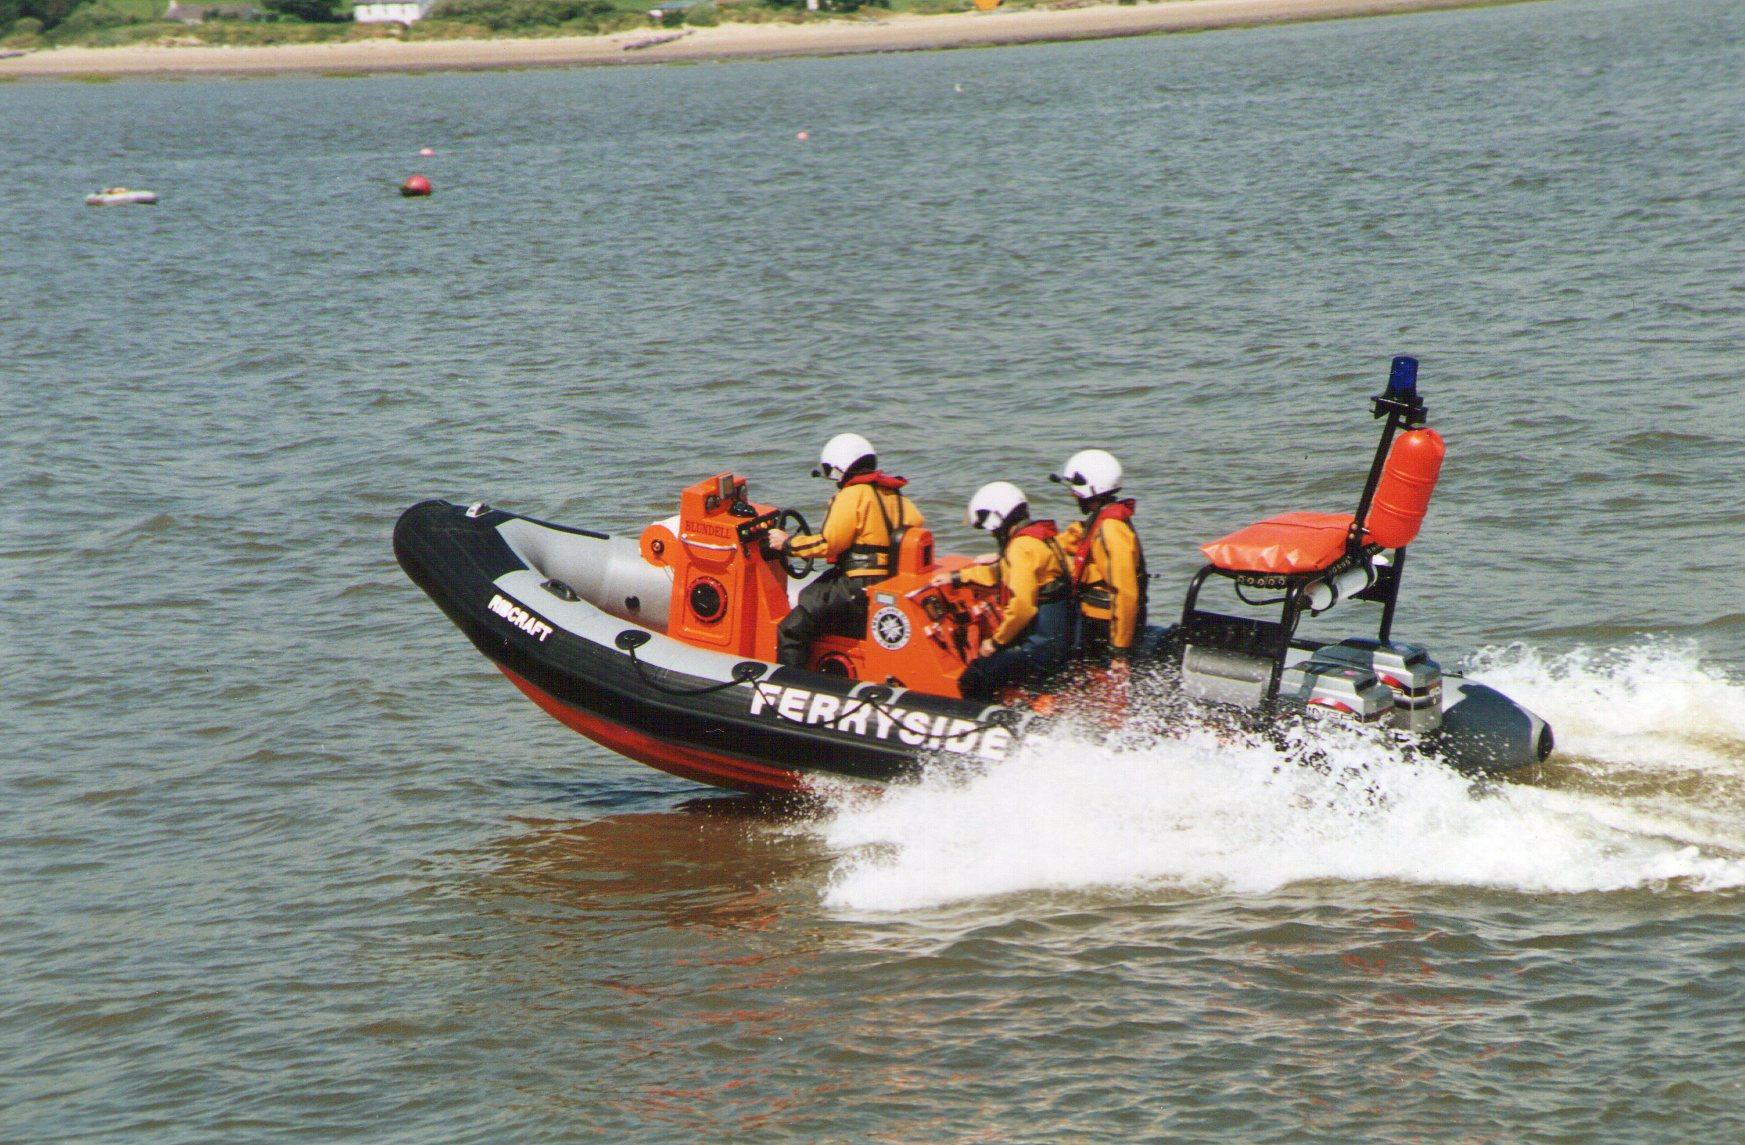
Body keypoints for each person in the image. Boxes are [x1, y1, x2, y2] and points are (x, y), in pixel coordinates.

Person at [767, 433, 925, 670]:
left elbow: (830, 543)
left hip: (856, 588)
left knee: (791, 629)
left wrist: (788, 544)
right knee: (812, 596)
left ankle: (789, 687)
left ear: (840, 467)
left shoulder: (853, 494)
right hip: (885, 585)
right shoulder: (896, 496)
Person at [932, 481, 1074, 701]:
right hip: (1061, 639)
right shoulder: (1041, 539)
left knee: (974, 676)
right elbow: (1001, 574)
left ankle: (984, 727)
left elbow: (1022, 608)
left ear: (997, 518)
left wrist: (996, 642)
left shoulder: (1019, 548)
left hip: (1040, 647)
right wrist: (959, 577)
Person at [1052, 449, 1146, 665]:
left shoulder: (1111, 528)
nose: (1072, 494)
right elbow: (1063, 544)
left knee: (1096, 679)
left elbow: (1125, 592)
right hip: (1094, 620)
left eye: (1075, 489)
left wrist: (1120, 651)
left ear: (1093, 487)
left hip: (1105, 628)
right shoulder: (1099, 521)